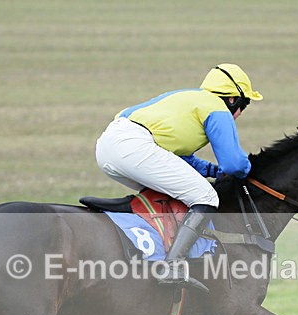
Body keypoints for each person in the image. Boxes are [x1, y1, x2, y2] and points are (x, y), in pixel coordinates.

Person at [95, 64, 263, 291]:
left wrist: (213, 171)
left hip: (108, 146)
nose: (240, 113)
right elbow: (234, 163)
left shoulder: (189, 98)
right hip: (133, 146)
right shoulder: (217, 108)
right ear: (232, 99)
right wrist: (251, 169)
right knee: (206, 196)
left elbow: (180, 159)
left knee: (171, 193)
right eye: (244, 105)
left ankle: (154, 249)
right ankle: (171, 265)